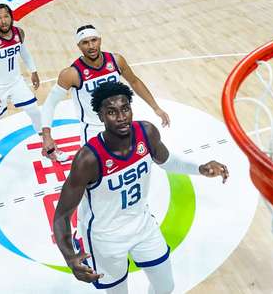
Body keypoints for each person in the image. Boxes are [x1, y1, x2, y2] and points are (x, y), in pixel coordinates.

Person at [53, 82, 228, 293]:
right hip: (105, 237)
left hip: (142, 225)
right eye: (111, 112)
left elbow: (167, 161)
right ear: (100, 117)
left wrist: (200, 168)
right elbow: (61, 215)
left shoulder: (147, 132)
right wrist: (70, 257)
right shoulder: (88, 159)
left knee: (165, 286)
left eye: (125, 108)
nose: (121, 117)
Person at [40, 25, 171, 157]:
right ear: (79, 46)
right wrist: (46, 136)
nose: (91, 46)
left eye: (94, 40)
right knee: (94, 173)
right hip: (93, 129)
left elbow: (134, 82)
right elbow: (50, 103)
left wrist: (156, 108)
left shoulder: (116, 61)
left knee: (129, 164)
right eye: (85, 42)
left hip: (120, 124)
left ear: (100, 40)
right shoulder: (71, 74)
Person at [0, 4, 62, 162]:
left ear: (11, 17)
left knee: (34, 111)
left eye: (6, 16)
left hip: (16, 82)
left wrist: (33, 71)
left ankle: (48, 145)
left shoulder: (19, 33)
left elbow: (24, 52)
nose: (3, 21)